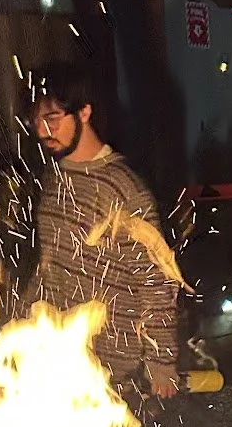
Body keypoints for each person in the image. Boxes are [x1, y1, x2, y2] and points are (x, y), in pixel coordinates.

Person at [26, 62, 178, 402]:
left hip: (116, 372)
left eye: (52, 118)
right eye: (36, 121)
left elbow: (155, 280)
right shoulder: (54, 180)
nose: (42, 130)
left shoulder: (123, 189)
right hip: (61, 356)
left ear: (84, 112)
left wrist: (161, 361)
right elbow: (50, 265)